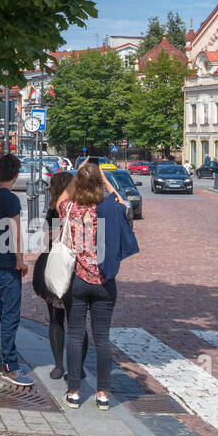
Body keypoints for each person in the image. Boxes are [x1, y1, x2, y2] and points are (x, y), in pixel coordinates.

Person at [58, 161, 139, 411]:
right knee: (102, 338)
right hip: (105, 282)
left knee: (75, 335)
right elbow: (124, 204)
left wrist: (76, 176)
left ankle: (73, 392)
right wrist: (104, 179)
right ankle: (103, 394)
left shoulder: (71, 209)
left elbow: (61, 197)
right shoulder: (111, 210)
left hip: (78, 282)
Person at [0, 153, 32, 387]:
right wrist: (20, 260)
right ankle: (10, 364)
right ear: (16, 175)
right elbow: (15, 231)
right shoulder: (11, 200)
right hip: (5, 264)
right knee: (10, 314)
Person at [38, 171, 88, 381]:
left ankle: (71, 366)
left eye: (52, 185)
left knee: (68, 320)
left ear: (59, 188)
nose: (49, 189)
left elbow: (48, 236)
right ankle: (63, 365)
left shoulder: (70, 208)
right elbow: (45, 237)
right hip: (60, 267)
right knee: (60, 318)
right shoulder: (54, 209)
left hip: (68, 268)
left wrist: (54, 234)